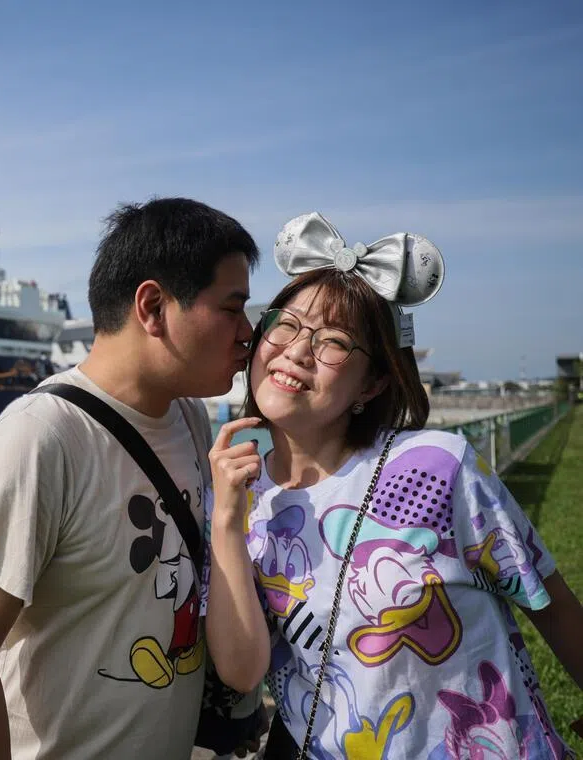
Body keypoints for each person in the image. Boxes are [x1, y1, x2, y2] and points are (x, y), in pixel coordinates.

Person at [0, 197, 272, 760]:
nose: (247, 332)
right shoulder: (38, 438)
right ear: (153, 307)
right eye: (232, 308)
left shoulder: (187, 415)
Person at [240, 212, 583, 759]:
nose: (298, 352)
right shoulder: (240, 502)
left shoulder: (436, 467)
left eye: (334, 342)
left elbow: (550, 601)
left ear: (372, 383)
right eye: (286, 325)